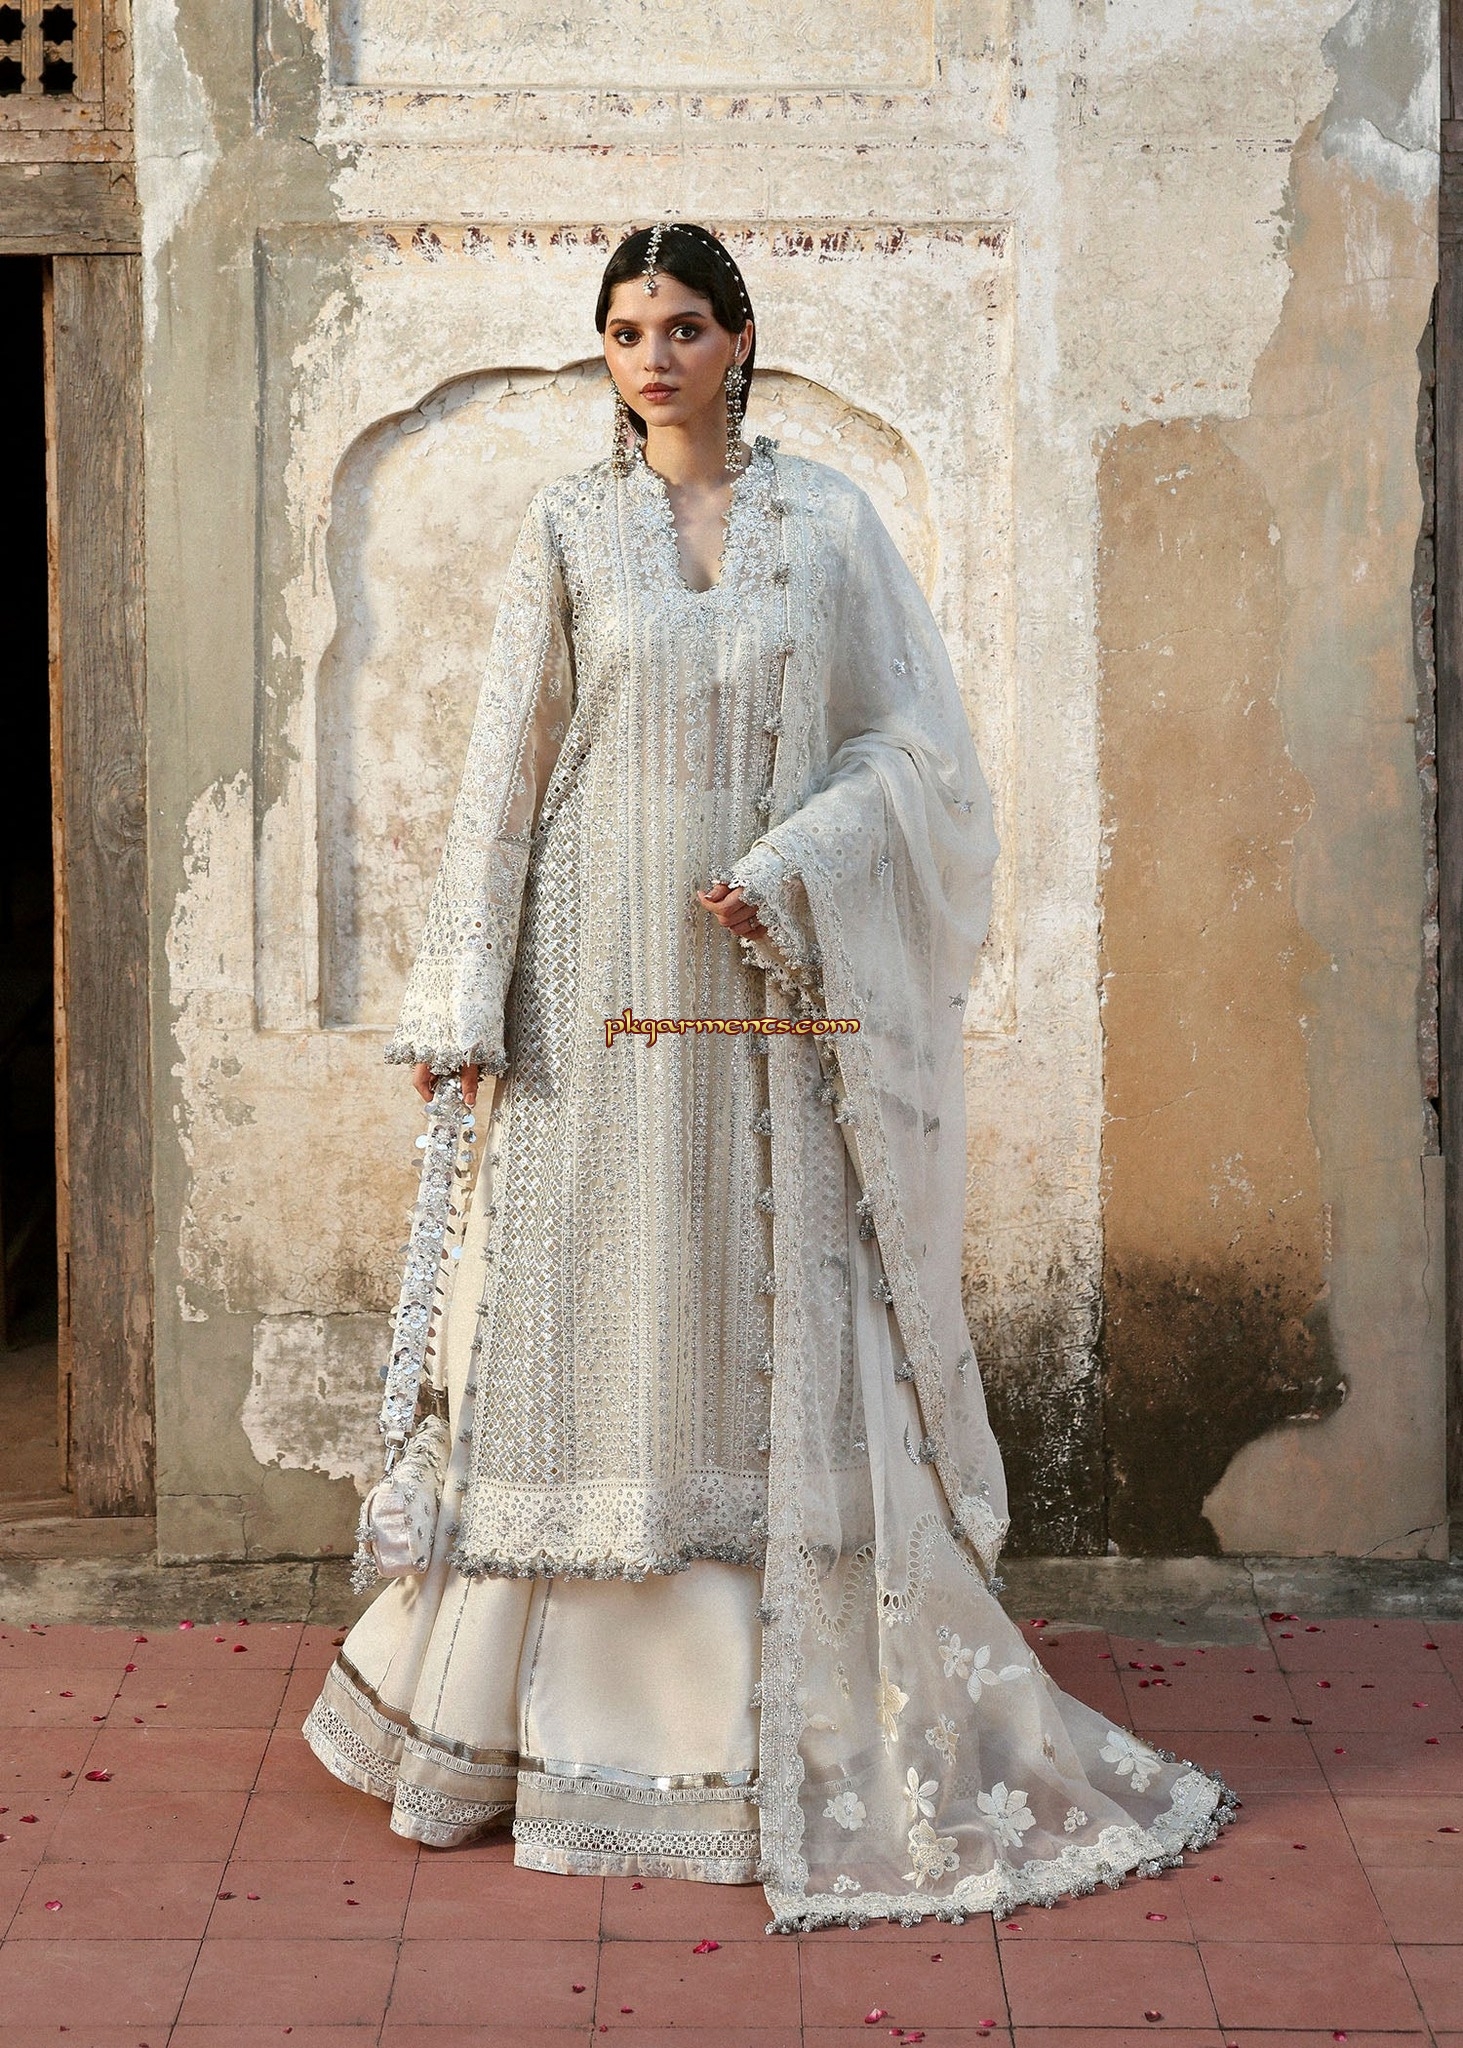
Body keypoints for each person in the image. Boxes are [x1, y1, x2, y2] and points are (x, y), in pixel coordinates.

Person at [304, 221, 1235, 1930]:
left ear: (738, 338)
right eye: (623, 331)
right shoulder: (568, 525)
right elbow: (508, 765)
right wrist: (461, 1001)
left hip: (769, 980)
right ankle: (525, 1735)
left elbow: (917, 756)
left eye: (680, 326)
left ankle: (779, 1720)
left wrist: (799, 864)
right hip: (593, 979)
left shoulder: (831, 527)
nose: (650, 358)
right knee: (594, 1312)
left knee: (762, 1298)